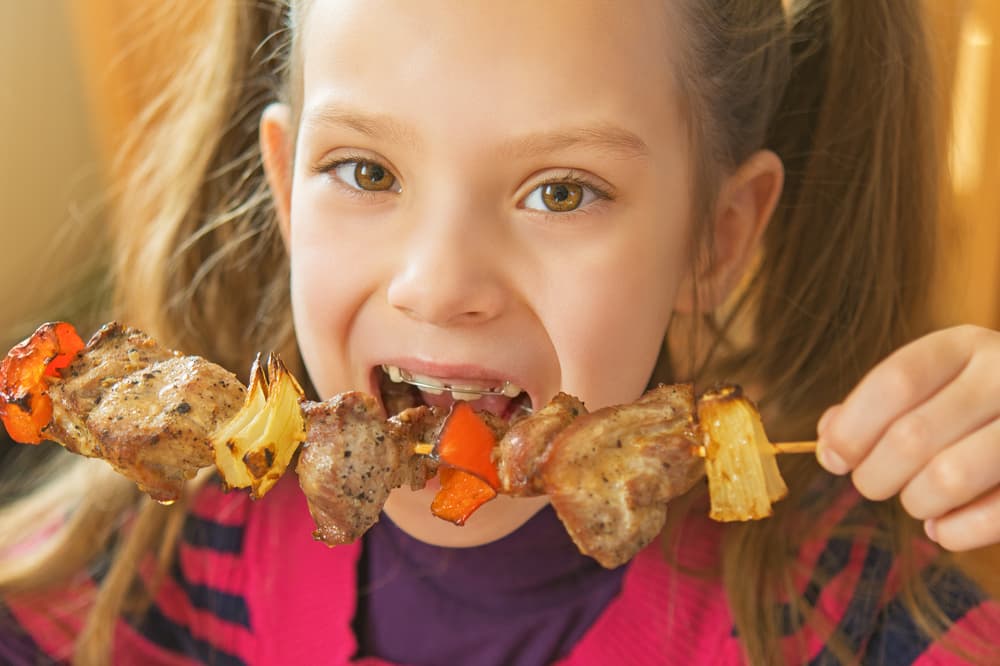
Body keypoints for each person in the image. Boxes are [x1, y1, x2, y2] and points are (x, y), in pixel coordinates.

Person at [1, 0, 999, 664]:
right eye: (366, 171)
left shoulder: (848, 616)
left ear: (715, 237)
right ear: (284, 191)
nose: (438, 285)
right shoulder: (148, 566)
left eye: (560, 191)